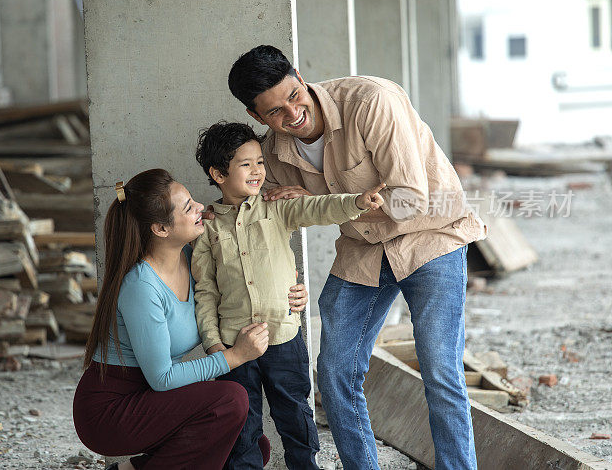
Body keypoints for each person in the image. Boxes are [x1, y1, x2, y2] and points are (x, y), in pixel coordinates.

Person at [227, 45, 487, 470]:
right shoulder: (272, 154)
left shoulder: (371, 102)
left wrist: (321, 199)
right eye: (275, 112)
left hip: (430, 236)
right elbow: (266, 223)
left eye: (294, 95)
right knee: (333, 374)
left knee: (440, 372)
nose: (292, 114)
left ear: (299, 74)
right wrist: (280, 282)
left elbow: (409, 200)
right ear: (258, 117)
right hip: (364, 249)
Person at [73, 168, 307, 470]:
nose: (201, 208)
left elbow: (248, 282)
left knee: (249, 446)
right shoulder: (141, 286)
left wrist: (290, 292)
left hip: (150, 398)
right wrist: (236, 356)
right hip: (112, 411)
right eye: (188, 207)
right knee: (231, 401)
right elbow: (162, 379)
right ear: (160, 229)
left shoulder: (193, 255)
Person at [192, 122, 384, 470]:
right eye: (245, 164)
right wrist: (213, 343)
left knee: (295, 413)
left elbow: (319, 208)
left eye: (260, 162)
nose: (257, 171)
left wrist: (356, 202)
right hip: (235, 345)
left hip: (284, 335)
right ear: (218, 174)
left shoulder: (276, 207)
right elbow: (205, 290)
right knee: (241, 426)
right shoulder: (206, 227)